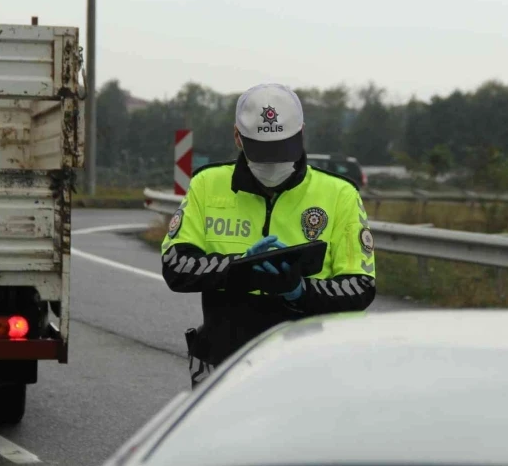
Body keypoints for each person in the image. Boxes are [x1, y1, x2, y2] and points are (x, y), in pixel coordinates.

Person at [161, 83, 376, 387]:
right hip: (222, 368)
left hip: (309, 370)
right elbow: (175, 265)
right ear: (237, 137)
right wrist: (238, 270)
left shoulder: (340, 194)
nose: (273, 163)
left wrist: (300, 291)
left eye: (281, 149)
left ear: (301, 133)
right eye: (263, 151)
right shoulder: (207, 185)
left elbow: (361, 286)